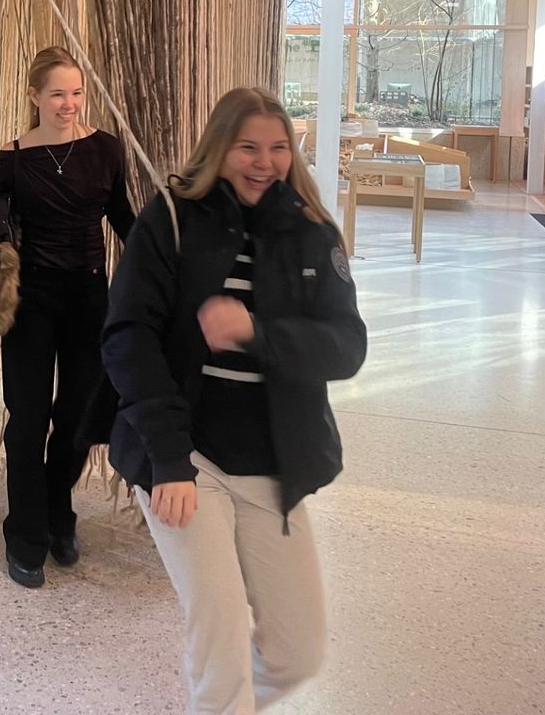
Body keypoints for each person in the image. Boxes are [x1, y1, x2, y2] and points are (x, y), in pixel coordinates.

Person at [96, 87, 367, 714]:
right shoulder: (168, 219)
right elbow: (127, 339)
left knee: (298, 653)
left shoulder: (311, 230)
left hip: (276, 464)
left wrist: (255, 332)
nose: (262, 161)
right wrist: (169, 460)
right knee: (218, 644)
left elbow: (346, 347)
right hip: (189, 462)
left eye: (277, 147)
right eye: (247, 147)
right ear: (219, 148)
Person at [0, 45, 135, 588]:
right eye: (57, 94)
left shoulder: (107, 151)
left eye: (76, 93)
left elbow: (125, 222)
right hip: (32, 301)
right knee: (28, 418)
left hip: (90, 298)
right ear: (34, 96)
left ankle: (57, 512)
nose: (68, 104)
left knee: (75, 418)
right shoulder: (12, 159)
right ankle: (24, 534)